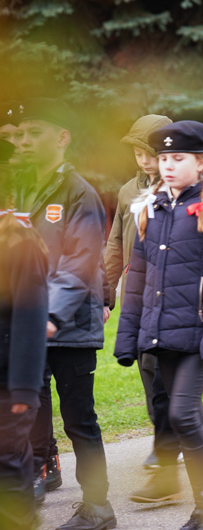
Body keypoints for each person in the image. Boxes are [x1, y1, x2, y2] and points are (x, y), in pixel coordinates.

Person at [116, 120, 203, 530]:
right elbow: (138, 277)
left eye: (178, 158)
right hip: (163, 332)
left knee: (184, 414)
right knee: (177, 417)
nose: (168, 165)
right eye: (164, 158)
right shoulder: (151, 207)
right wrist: (128, 336)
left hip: (202, 335)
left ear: (202, 161)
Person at [14, 98, 116, 529]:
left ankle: (98, 507)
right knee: (29, 414)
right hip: (24, 326)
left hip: (68, 328)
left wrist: (47, 316)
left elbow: (79, 265)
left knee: (80, 420)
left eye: (34, 132)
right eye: (18, 134)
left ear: (61, 138)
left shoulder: (80, 194)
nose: (23, 141)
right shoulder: (16, 187)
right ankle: (32, 484)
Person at [104, 114, 171, 469]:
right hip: (137, 297)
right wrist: (105, 294)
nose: (144, 161)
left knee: (167, 370)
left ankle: (170, 444)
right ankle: (165, 440)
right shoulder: (128, 191)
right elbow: (115, 243)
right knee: (147, 367)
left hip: (171, 297)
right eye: (138, 154)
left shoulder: (180, 187)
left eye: (151, 153)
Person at [0, 138, 49, 530]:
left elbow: (30, 318)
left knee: (7, 463)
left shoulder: (17, 239)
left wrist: (23, 390)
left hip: (7, 384)